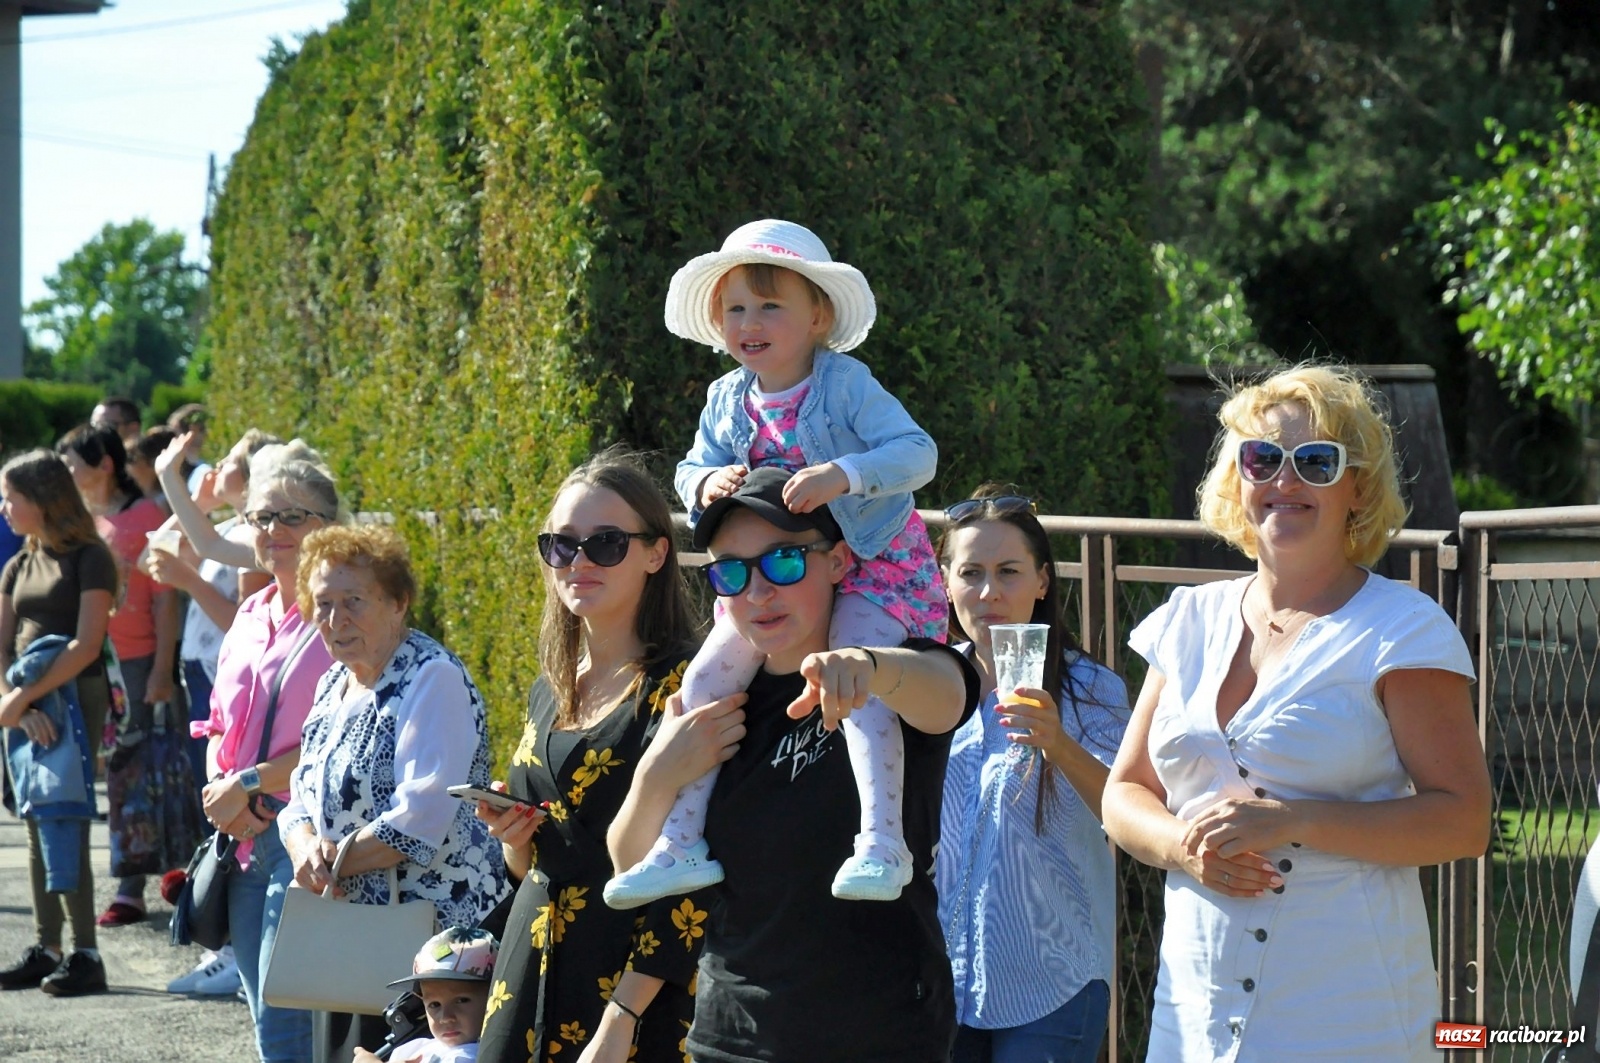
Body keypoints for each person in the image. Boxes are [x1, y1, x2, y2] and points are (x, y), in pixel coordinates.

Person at [1100, 364, 1491, 1061]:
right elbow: (1124, 792)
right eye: (1263, 458)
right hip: (1193, 1009)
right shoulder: (1186, 619)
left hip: (1348, 1014)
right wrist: (1181, 848)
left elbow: (1463, 820)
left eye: (1316, 461)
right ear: (1237, 479)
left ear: (1358, 489)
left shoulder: (1402, 628)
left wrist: (1298, 821)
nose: (1286, 479)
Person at [607, 218, 946, 909]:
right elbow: (690, 467)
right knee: (703, 678)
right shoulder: (724, 398)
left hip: (872, 562)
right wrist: (702, 484)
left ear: (818, 315)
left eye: (769, 305)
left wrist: (845, 474)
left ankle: (883, 841)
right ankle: (681, 841)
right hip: (779, 577)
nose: (749, 322)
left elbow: (918, 453)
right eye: (735, 308)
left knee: (858, 667)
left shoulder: (847, 382)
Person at [607, 468, 980, 1063]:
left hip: (879, 1033)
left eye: (784, 562)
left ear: (836, 562)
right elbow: (629, 860)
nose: (757, 593)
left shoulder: (891, 672)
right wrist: (659, 772)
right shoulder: (712, 701)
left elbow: (950, 696)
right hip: (731, 1034)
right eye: (731, 572)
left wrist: (871, 667)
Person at [475, 451, 707, 1063]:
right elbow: (535, 864)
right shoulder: (549, 686)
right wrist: (514, 838)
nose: (578, 561)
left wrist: (624, 1015)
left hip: (633, 983)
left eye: (605, 543)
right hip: (530, 966)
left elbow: (698, 868)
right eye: (561, 544)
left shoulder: (685, 685)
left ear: (657, 553)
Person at [282, 523, 506, 1058]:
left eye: (353, 601)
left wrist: (333, 863)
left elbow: (421, 816)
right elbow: (300, 792)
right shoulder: (333, 683)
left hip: (433, 964)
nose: (335, 620)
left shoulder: (432, 678)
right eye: (323, 603)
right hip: (348, 940)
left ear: (398, 603)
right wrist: (302, 845)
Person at [935, 488, 1130, 1063]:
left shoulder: (1091, 690)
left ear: (1042, 581)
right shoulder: (929, 683)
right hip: (940, 983)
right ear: (946, 582)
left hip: (1053, 984)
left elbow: (1128, 816)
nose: (989, 592)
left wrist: (1059, 745)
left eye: (1009, 571)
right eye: (971, 573)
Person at [195, 444, 341, 1062]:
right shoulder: (250, 613)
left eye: (291, 516)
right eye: (260, 517)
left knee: (290, 1022)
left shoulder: (337, 616)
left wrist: (249, 784)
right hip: (243, 839)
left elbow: (337, 733)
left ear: (326, 527)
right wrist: (221, 790)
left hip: (305, 836)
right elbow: (218, 722)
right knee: (263, 1015)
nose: (272, 530)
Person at [151, 428, 277, 997]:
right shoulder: (228, 527)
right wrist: (189, 497)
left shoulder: (260, 539)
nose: (217, 463)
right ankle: (226, 944)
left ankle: (231, 948)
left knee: (234, 808)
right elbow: (157, 549)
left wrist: (187, 580)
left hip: (228, 675)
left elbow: (241, 622)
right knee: (217, 803)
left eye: (229, 459)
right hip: (204, 671)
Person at [0, 450, 116, 996]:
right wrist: (16, 705)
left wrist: (25, 700)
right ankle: (47, 947)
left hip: (73, 697)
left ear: (42, 501)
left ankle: (85, 953)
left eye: (11, 498)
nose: (3, 507)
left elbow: (86, 644)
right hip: (26, 705)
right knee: (32, 819)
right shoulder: (19, 563)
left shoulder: (90, 558)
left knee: (63, 816)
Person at [57, 423, 182, 927]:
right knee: (114, 774)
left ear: (103, 465)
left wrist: (161, 669)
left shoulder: (148, 516)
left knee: (143, 772)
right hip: (92, 663)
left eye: (73, 464)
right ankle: (130, 877)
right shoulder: (80, 521)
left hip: (136, 665)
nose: (67, 474)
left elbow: (167, 600)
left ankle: (134, 887)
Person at [353, 927, 500, 1063]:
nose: (445, 1017)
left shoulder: (480, 1055)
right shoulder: (415, 1048)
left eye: (462, 1000)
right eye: (434, 1004)